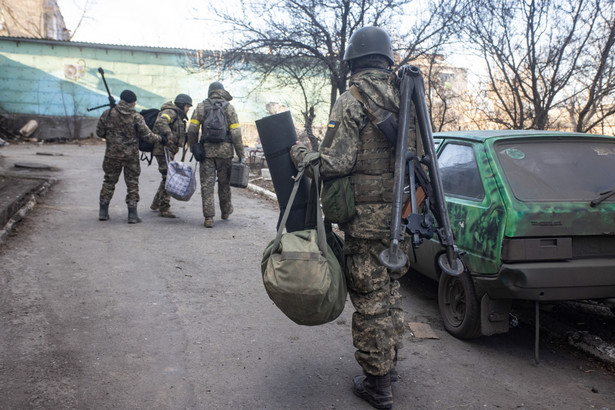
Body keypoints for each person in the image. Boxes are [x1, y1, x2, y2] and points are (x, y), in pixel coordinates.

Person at [290, 26, 420, 409]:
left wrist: (303, 155)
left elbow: (336, 163)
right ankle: (389, 364)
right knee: (391, 294)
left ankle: (377, 383)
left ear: (353, 62)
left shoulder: (352, 100)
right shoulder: (409, 97)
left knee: (369, 302)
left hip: (364, 222)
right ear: (386, 59)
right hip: (402, 217)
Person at [97, 89, 166, 224]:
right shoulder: (136, 117)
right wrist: (161, 139)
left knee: (109, 181)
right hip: (131, 157)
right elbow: (147, 136)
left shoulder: (108, 113)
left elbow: (99, 132)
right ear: (132, 102)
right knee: (132, 184)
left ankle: (103, 212)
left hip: (112, 155)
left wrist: (112, 136)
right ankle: (132, 215)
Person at [187, 82, 245, 228]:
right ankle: (225, 212)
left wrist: (193, 146)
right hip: (225, 152)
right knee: (224, 184)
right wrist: (240, 153)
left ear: (210, 92)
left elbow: (192, 129)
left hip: (207, 152)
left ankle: (209, 218)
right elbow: (236, 133)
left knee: (207, 184)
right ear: (222, 91)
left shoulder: (202, 106)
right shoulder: (229, 107)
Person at [150, 93, 193, 218]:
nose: (188, 109)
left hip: (168, 151)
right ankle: (164, 208)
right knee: (168, 177)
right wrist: (169, 135)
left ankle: (156, 203)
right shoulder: (171, 112)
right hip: (162, 149)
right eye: (187, 106)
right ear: (181, 104)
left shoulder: (178, 115)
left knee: (166, 176)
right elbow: (161, 121)